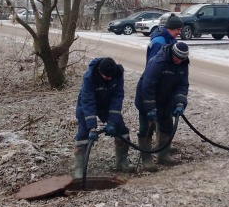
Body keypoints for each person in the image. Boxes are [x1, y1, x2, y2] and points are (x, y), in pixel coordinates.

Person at [72, 57, 135, 179]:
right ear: (100, 72)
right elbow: (88, 102)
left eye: (111, 77)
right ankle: (79, 167)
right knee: (83, 133)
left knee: (121, 130)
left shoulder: (117, 74)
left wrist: (112, 121)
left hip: (107, 103)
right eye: (106, 77)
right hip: (86, 105)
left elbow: (117, 97)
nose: (109, 79)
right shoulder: (89, 77)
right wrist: (92, 127)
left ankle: (121, 162)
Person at [135, 41, 190, 170]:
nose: (179, 62)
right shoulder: (158, 62)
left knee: (167, 127)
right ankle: (146, 159)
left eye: (182, 59)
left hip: (166, 100)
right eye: (177, 58)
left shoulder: (183, 64)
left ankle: (163, 155)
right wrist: (150, 108)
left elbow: (182, 85)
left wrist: (180, 103)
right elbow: (148, 86)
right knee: (146, 130)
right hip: (146, 98)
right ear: (172, 54)